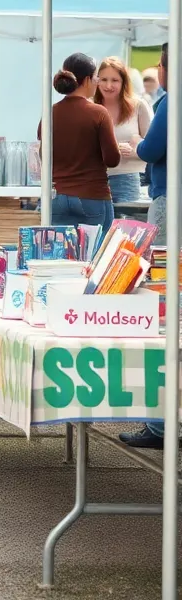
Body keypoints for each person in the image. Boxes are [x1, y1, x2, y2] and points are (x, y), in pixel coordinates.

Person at [127, 43, 170, 449]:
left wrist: (137, 148)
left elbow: (151, 149)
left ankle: (158, 425)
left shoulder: (170, 103)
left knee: (162, 293)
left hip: (168, 198)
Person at [37, 53, 120, 232]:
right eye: (97, 77)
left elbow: (44, 156)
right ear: (89, 80)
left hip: (56, 197)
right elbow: (112, 159)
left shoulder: (50, 113)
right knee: (93, 257)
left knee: (59, 256)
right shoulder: (98, 113)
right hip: (92, 196)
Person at [93, 57, 152, 205]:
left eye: (115, 80)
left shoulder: (138, 106)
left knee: (124, 225)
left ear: (124, 82)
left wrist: (135, 150)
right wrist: (111, 150)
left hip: (127, 179)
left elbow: (153, 148)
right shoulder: (89, 107)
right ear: (96, 80)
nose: (108, 85)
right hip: (93, 180)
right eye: (104, 79)